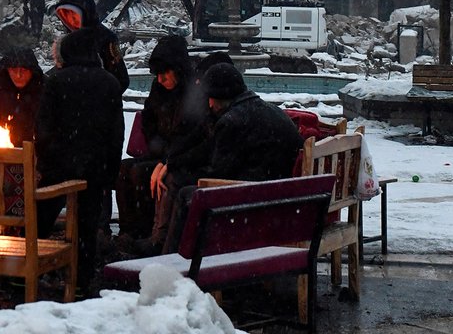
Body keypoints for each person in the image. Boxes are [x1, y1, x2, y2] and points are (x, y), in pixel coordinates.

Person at [163, 61, 304, 253]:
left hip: (256, 197)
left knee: (184, 192)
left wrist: (178, 170)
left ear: (219, 97)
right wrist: (176, 162)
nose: (209, 104)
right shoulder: (268, 110)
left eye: (210, 98)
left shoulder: (232, 121)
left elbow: (217, 174)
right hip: (281, 193)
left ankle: (175, 257)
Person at [34, 28, 124, 288]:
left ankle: (23, 273)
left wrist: (48, 161)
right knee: (86, 227)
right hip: (95, 168)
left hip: (58, 167)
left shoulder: (56, 82)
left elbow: (42, 127)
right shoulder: (109, 83)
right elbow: (116, 132)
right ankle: (82, 281)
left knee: (41, 218)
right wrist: (110, 172)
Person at [114, 35, 210, 241]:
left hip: (182, 156)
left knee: (141, 174)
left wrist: (169, 157)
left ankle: (146, 233)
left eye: (164, 73)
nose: (160, 79)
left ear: (178, 69)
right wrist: (156, 145)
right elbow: (148, 121)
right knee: (123, 169)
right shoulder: (159, 90)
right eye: (157, 75)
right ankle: (127, 231)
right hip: (160, 151)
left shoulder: (194, 92)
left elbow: (194, 132)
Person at [55, 0, 129, 92]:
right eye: (66, 15)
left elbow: (121, 79)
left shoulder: (106, 38)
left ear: (85, 13)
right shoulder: (66, 42)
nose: (71, 20)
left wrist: (100, 98)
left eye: (74, 15)